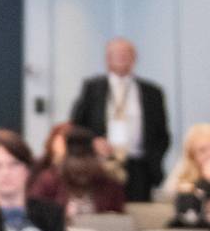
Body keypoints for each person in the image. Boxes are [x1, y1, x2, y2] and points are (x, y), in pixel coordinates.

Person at [68, 37, 172, 202]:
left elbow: (162, 135)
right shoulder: (92, 88)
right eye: (117, 54)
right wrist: (93, 142)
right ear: (107, 58)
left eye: (126, 54)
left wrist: (154, 159)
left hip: (139, 167)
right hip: (102, 165)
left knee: (139, 210)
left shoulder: (152, 92)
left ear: (134, 58)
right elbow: (76, 127)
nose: (122, 58)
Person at [29, 127, 127, 218]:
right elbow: (35, 212)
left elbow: (120, 219)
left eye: (85, 173)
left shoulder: (110, 187)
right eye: (77, 174)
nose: (81, 178)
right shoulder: (49, 182)